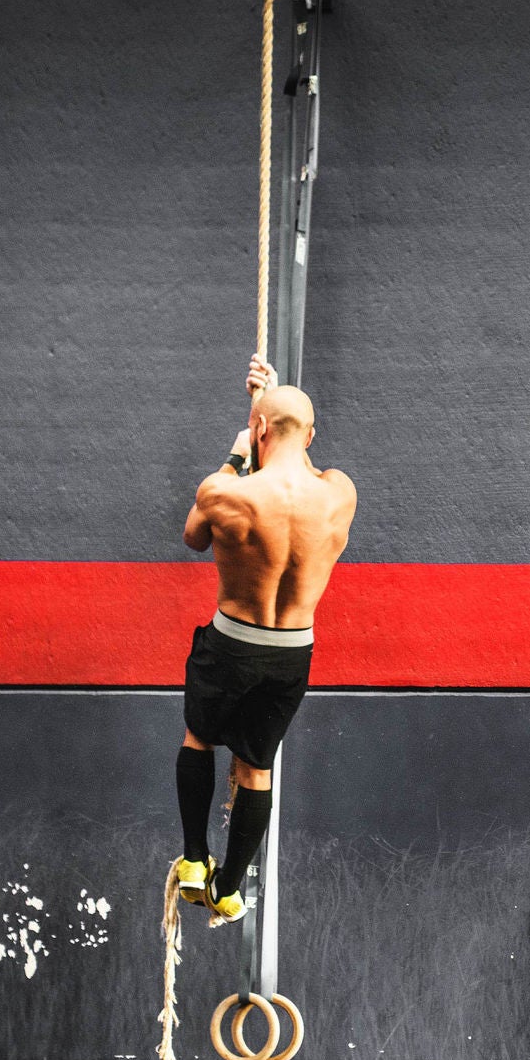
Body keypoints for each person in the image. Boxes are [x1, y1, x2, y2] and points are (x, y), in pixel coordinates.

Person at [172, 355, 356, 917]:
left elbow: (193, 539)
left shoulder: (226, 491)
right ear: (312, 435)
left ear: (256, 431)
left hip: (231, 642)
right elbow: (296, 456)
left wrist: (237, 451)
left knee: (199, 740)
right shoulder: (339, 492)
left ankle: (194, 860)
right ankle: (229, 889)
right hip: (292, 653)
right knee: (257, 766)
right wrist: (272, 405)